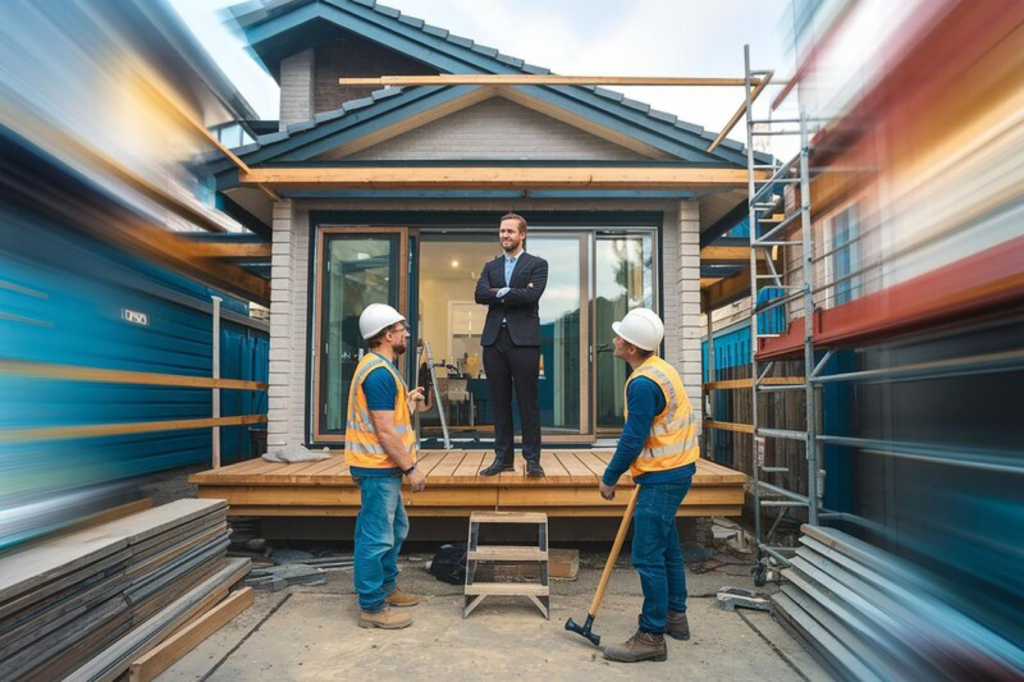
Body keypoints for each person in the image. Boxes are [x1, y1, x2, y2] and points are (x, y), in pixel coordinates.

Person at [598, 308, 700, 663]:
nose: (614, 339)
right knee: (667, 546)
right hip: (677, 470)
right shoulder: (662, 368)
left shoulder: (642, 384)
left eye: (619, 336)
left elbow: (632, 439)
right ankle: (676, 616)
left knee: (646, 555)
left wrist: (610, 477)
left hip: (662, 476)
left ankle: (651, 634)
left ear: (629, 347)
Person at [345, 303, 427, 630]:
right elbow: (383, 430)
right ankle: (372, 607)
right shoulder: (378, 373)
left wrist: (407, 403)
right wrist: (411, 468)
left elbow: (386, 417)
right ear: (386, 335)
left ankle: (388, 587)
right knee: (376, 537)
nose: (406, 332)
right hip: (378, 468)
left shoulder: (382, 368)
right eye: (401, 328)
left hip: (382, 467)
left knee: (394, 530)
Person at [474, 213, 548, 477]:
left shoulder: (538, 264)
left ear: (522, 235)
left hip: (524, 342)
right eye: (502, 231)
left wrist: (499, 292)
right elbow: (479, 294)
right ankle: (502, 459)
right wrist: (510, 293)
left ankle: (532, 460)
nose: (505, 236)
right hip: (494, 341)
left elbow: (532, 295)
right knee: (499, 403)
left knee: (528, 403)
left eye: (510, 232)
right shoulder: (490, 266)